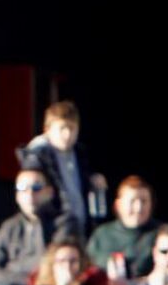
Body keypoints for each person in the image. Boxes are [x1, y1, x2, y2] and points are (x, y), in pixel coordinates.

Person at [0, 158, 77, 285]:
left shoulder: (64, 223)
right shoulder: (10, 226)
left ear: (50, 192)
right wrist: (23, 279)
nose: (29, 193)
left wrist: (21, 274)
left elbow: (52, 264)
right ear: (17, 195)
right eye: (22, 188)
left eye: (36, 187)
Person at [25, 100, 107, 234]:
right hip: (53, 229)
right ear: (47, 130)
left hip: (81, 227)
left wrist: (93, 179)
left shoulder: (81, 153)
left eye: (72, 128)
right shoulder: (37, 157)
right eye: (62, 128)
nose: (67, 134)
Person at [86, 175, 159, 283]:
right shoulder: (101, 235)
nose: (138, 208)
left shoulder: (161, 235)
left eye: (144, 201)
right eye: (132, 201)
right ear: (118, 205)